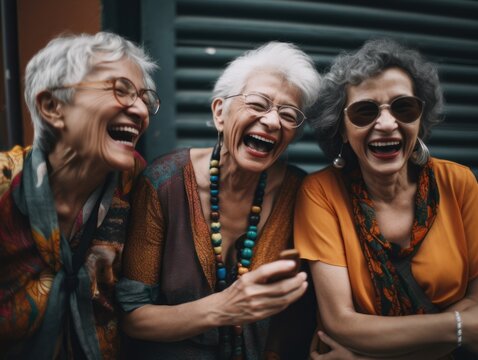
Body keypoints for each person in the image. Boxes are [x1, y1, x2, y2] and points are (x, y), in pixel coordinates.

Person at [116, 41, 321, 359]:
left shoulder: (304, 194)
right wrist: (224, 307)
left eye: (288, 114)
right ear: (220, 112)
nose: (272, 121)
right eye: (258, 103)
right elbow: (133, 319)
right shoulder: (163, 183)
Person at [294, 38, 478, 359]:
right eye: (365, 112)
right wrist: (461, 326)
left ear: (420, 119)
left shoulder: (458, 182)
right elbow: (340, 324)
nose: (387, 124)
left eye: (403, 107)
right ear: (341, 129)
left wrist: (368, 353)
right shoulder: (321, 192)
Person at [0, 32, 160, 359]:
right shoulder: (4, 183)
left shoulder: (136, 184)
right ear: (52, 107)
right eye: (121, 90)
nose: (142, 111)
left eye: (145, 98)